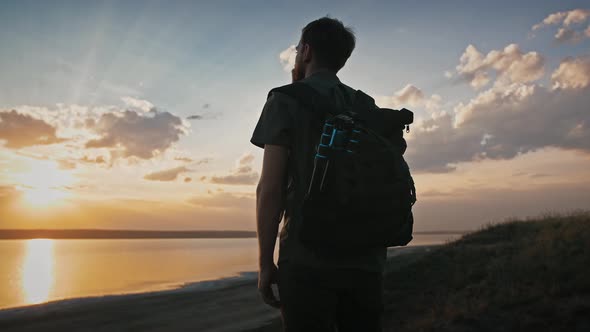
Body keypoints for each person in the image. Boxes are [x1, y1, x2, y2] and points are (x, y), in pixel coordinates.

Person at [251, 17, 385, 332]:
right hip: (367, 257)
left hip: (307, 257)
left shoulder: (285, 99)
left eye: (298, 48)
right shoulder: (365, 105)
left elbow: (270, 190)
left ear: (307, 51)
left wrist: (264, 263)